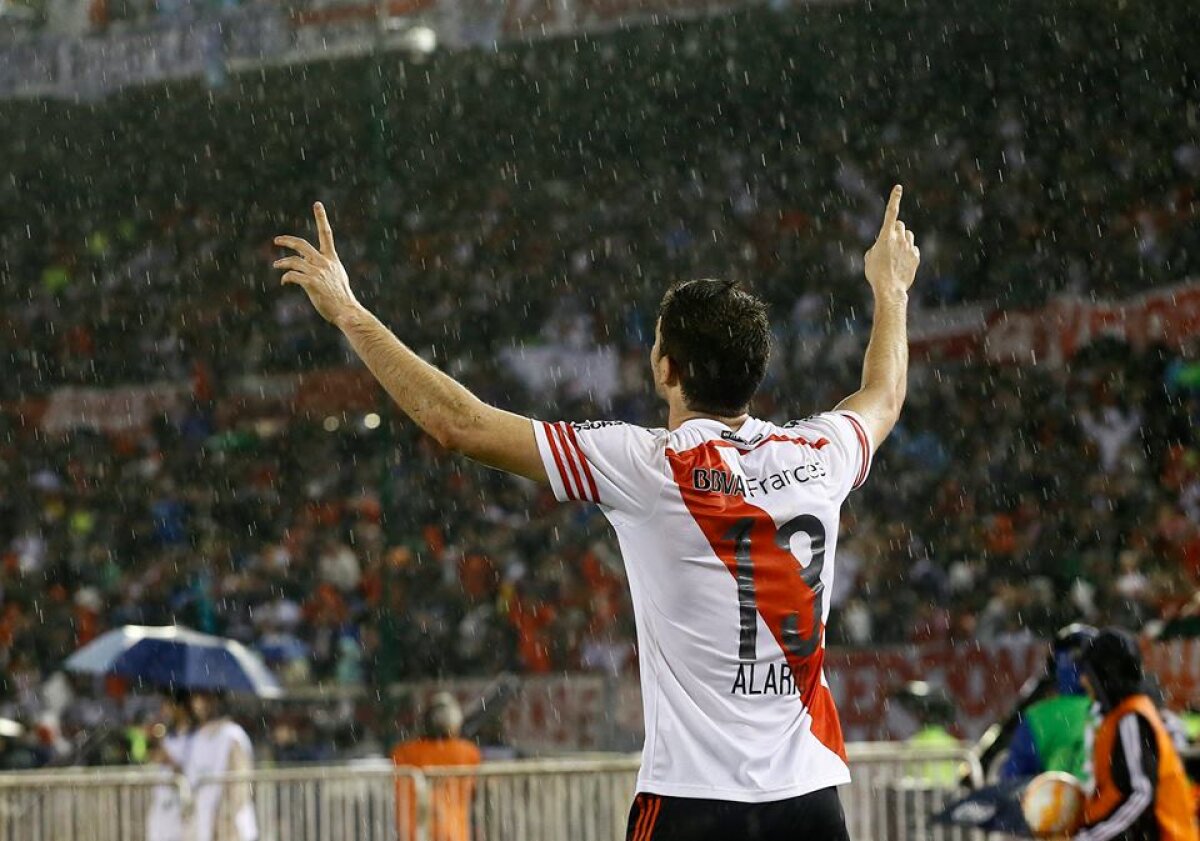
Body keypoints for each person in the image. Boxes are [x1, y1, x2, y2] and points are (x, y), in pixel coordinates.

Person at [273, 184, 919, 839]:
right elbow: (885, 395)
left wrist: (350, 313)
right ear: (756, 370)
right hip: (808, 800)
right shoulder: (821, 454)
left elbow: (459, 424)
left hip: (694, 802)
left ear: (666, 368)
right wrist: (890, 289)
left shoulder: (647, 465)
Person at [1072, 628, 1197, 841]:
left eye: (1089, 673)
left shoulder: (1131, 719)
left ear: (1105, 676)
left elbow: (1141, 795)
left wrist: (1090, 837)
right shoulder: (1125, 715)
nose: (1083, 681)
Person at [1001, 624, 1097, 782]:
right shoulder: (1121, 709)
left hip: (1059, 796)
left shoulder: (1038, 717)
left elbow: (1012, 782)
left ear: (1054, 665)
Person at [391, 692, 482, 841]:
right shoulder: (468, 752)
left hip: (413, 832)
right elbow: (476, 791)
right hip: (453, 833)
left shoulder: (404, 752)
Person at [183, 690, 259, 841]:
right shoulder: (196, 737)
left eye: (205, 699)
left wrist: (228, 815)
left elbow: (241, 782)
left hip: (229, 823)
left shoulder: (232, 735)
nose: (199, 705)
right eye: (196, 700)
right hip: (203, 819)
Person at [145, 691, 193, 841]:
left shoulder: (194, 737)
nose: (165, 712)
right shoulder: (168, 737)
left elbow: (191, 772)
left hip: (181, 808)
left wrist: (169, 760)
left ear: (180, 708)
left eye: (168, 706)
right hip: (161, 806)